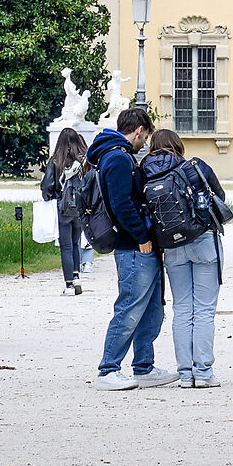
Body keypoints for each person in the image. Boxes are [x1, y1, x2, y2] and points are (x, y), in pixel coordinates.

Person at [90, 106, 171, 390]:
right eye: (145, 137)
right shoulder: (119, 158)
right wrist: (141, 236)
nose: (144, 144)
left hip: (138, 244)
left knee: (151, 309)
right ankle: (108, 369)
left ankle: (143, 367)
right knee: (129, 308)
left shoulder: (112, 155)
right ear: (139, 130)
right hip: (134, 246)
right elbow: (122, 204)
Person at [145, 129, 229, 388]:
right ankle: (203, 372)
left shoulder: (144, 173)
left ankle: (184, 374)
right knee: (203, 310)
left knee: (181, 309)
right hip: (203, 240)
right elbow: (220, 197)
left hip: (171, 246)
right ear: (178, 145)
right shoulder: (194, 167)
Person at [43, 126, 91, 294]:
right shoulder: (84, 161)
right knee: (76, 242)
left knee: (66, 247)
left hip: (63, 208)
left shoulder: (56, 161)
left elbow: (47, 186)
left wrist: (50, 198)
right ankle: (77, 275)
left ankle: (69, 284)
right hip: (79, 207)